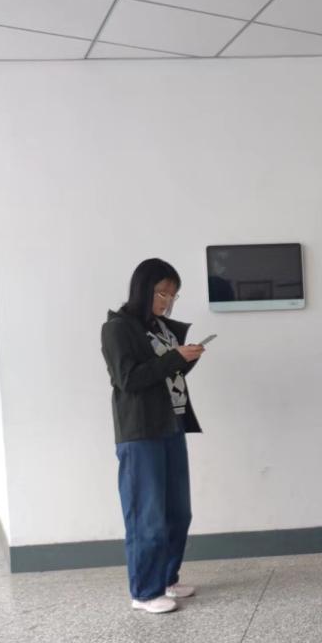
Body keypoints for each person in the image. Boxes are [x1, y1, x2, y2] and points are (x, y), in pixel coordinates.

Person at [101, 258, 207, 615]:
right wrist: (174, 358)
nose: (167, 301)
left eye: (173, 295)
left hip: (171, 424)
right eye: (162, 293)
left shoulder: (160, 327)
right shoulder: (117, 328)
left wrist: (186, 358)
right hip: (140, 430)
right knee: (146, 516)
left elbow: (166, 371)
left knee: (178, 512)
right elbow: (127, 379)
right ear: (143, 288)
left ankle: (166, 579)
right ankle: (145, 592)